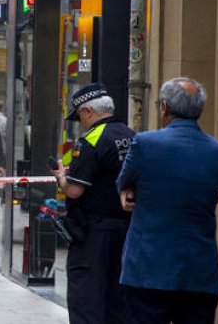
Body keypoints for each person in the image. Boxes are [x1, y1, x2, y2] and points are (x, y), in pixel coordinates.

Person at [116, 77, 218, 323]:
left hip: (149, 266)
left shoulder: (146, 143)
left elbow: (123, 180)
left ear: (164, 107)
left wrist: (127, 191)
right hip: (199, 270)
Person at [51, 83, 135, 324]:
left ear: (88, 111)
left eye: (79, 117)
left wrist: (61, 177)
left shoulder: (90, 140)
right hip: (127, 229)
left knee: (86, 299)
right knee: (117, 299)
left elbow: (75, 190)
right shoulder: (131, 135)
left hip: (94, 234)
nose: (81, 122)